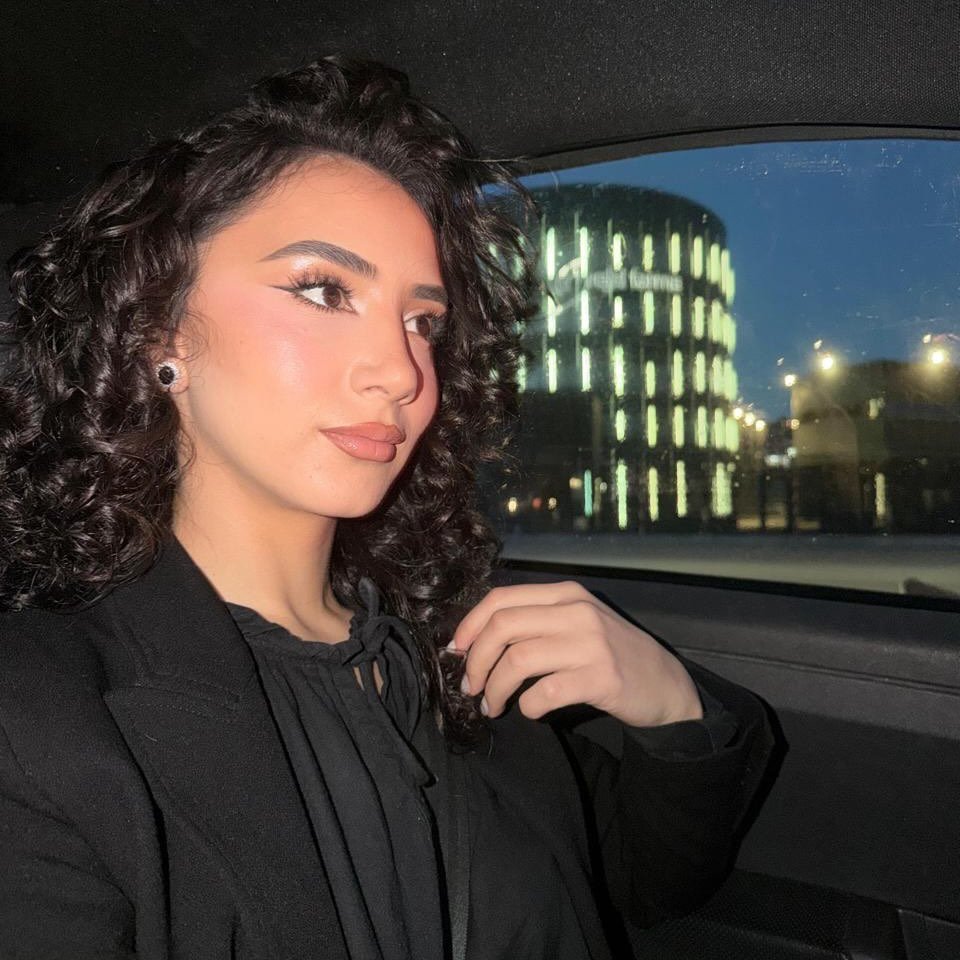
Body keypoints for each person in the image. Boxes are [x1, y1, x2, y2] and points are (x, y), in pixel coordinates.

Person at [0, 55, 774, 960]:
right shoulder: (40, 717)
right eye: (324, 290)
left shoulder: (454, 645)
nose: (402, 373)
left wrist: (673, 711)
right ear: (154, 328)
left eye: (423, 322)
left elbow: (648, 884)